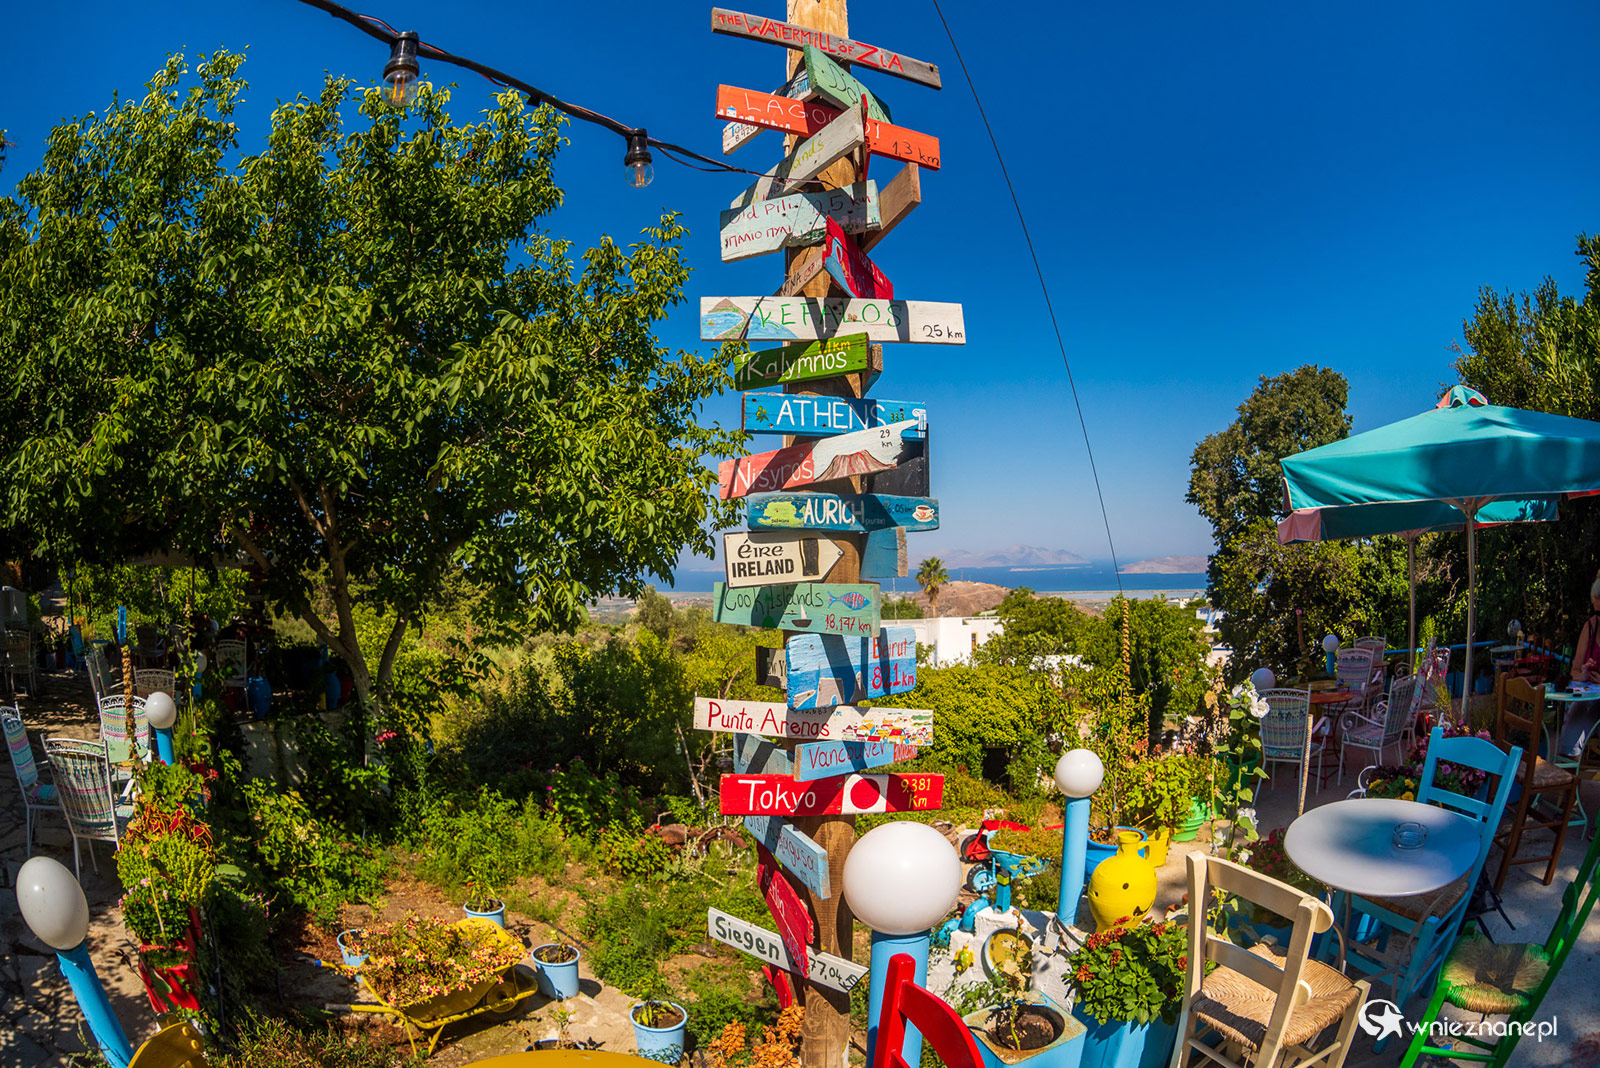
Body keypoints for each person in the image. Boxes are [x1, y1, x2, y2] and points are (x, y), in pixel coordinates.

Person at [1562, 575, 1600, 756]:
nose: (1597, 617)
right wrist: (1583, 675)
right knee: (1574, 718)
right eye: (1595, 611)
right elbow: (1575, 671)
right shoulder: (1591, 627)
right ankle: (1569, 775)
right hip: (1590, 699)